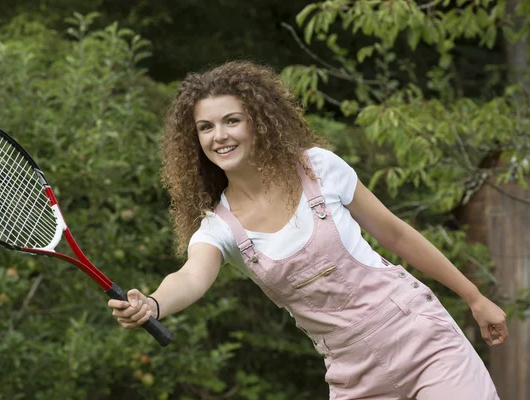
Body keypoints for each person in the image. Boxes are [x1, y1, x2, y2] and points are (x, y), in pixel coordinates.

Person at [108, 60, 508, 399]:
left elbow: (397, 235)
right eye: (206, 127)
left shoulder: (318, 168)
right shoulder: (218, 228)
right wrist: (155, 303)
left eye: (232, 120)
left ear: (259, 122)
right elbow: (191, 277)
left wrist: (473, 297)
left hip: (421, 337)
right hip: (353, 374)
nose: (220, 136)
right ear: (195, 139)